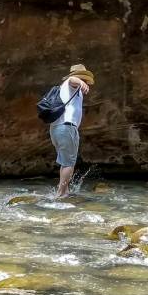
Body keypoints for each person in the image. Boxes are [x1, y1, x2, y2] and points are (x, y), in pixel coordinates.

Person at [49, 64, 94, 197]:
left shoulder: (72, 90)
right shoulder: (71, 83)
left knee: (65, 161)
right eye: (83, 78)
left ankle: (65, 190)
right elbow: (71, 80)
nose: (85, 82)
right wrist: (79, 81)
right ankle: (60, 194)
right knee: (69, 163)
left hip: (57, 128)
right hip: (66, 127)